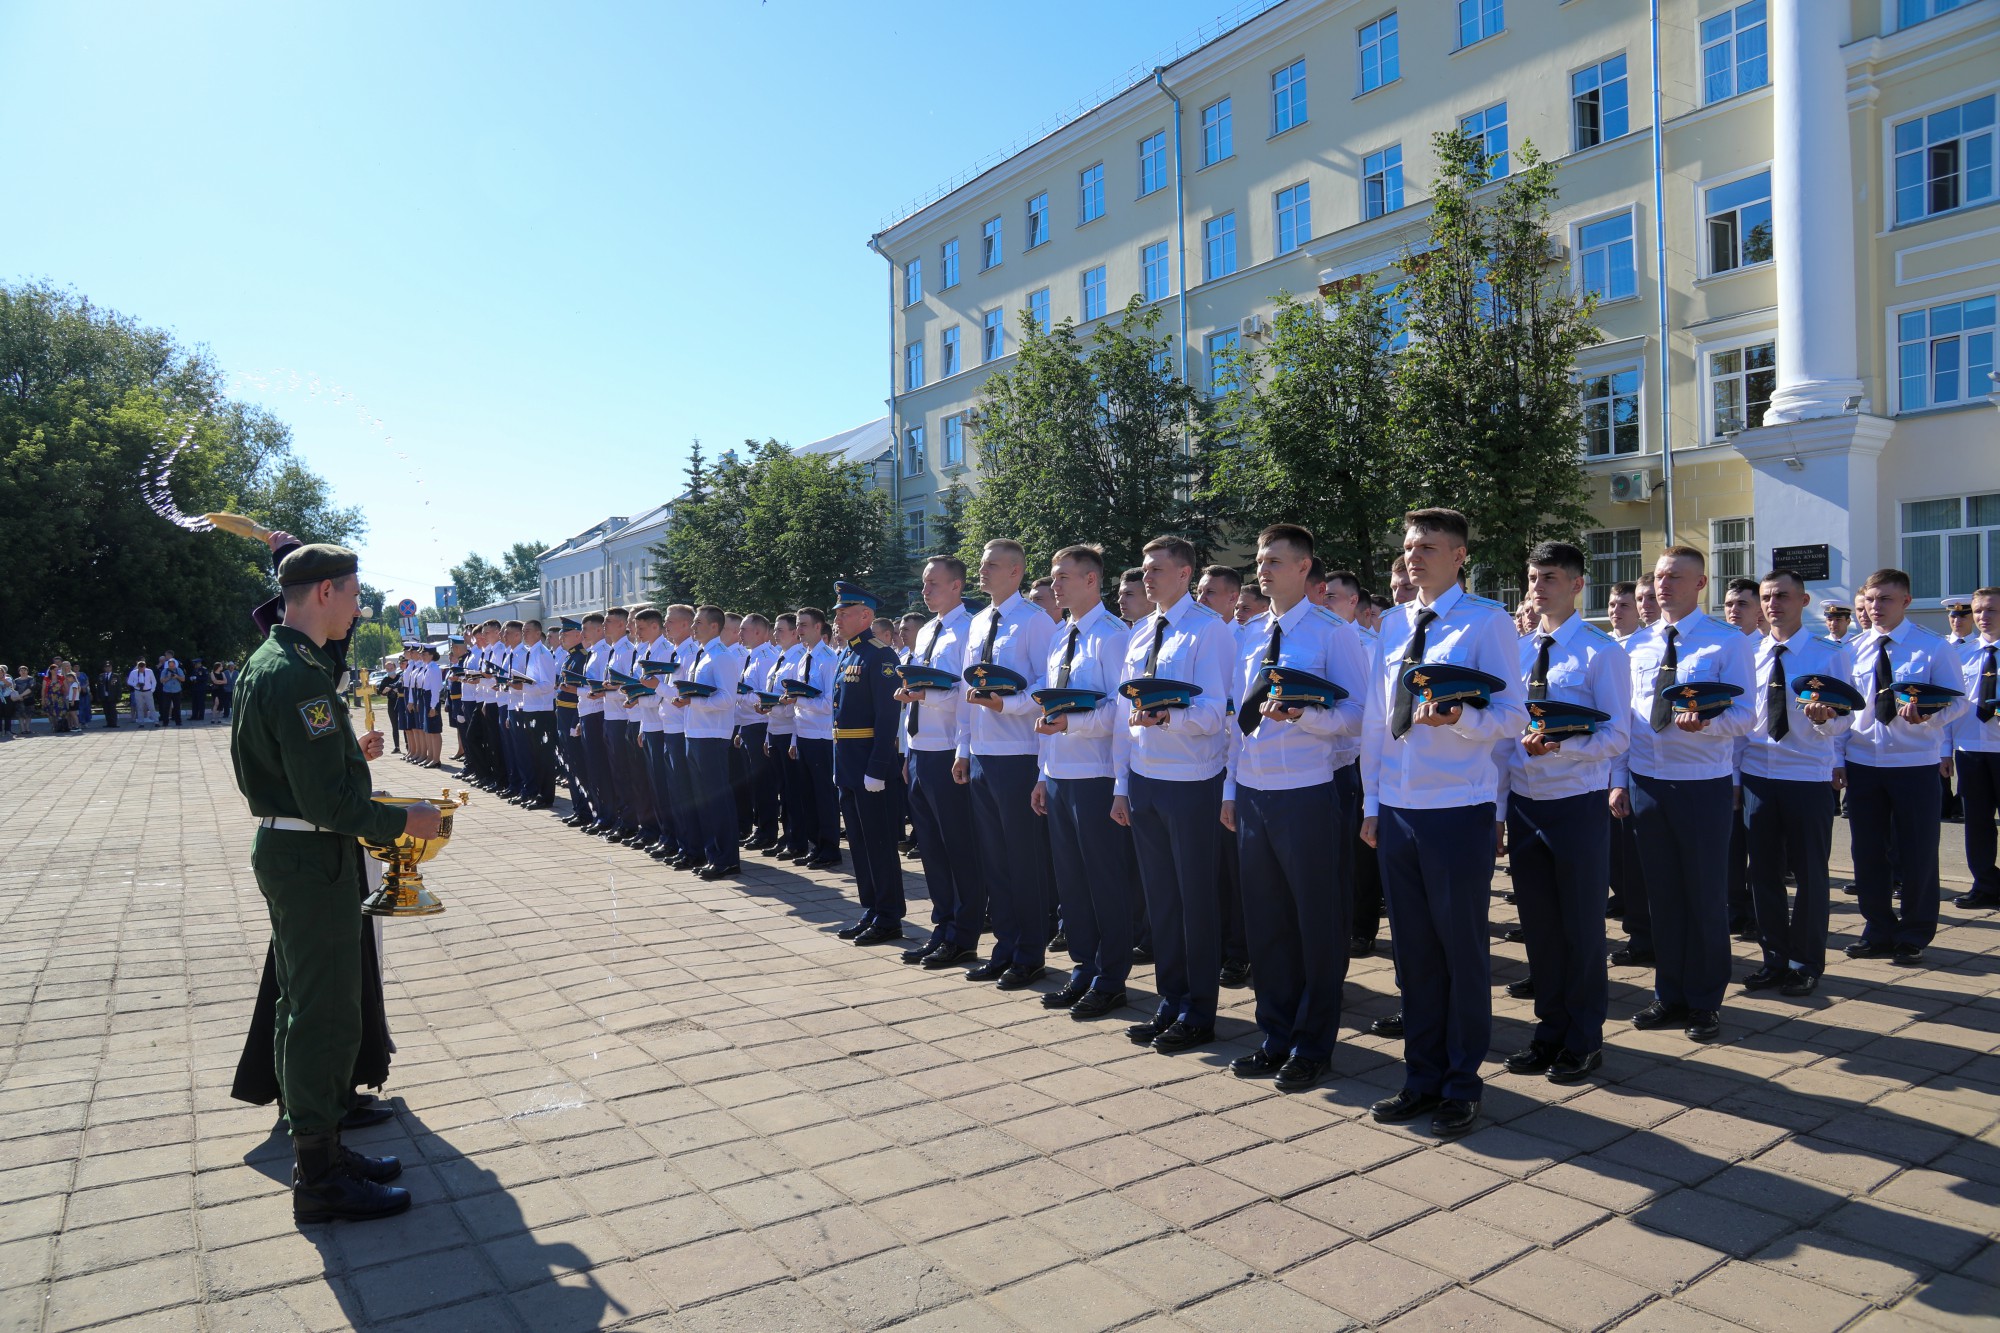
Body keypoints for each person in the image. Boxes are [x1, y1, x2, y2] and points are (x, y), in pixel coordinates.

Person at [229, 543, 441, 1222]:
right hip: (312, 854)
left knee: (304, 1002)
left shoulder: (275, 662)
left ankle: (319, 1145)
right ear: (324, 592)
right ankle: (319, 1177)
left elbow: (303, 772)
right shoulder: (298, 676)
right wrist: (405, 816)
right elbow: (327, 803)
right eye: (354, 595)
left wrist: (354, 759)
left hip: (294, 849)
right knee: (324, 1011)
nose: (359, 609)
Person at [1360, 509, 1526, 1137]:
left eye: (1427, 546)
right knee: (1414, 953)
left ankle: (1462, 1082)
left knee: (1461, 951)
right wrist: (1372, 805)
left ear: (1459, 555)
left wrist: (1459, 717)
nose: (1413, 556)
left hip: (1457, 808)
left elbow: (1513, 715)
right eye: (1408, 546)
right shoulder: (1393, 624)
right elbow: (1378, 721)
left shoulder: (1486, 621)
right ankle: (1420, 1076)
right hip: (1399, 810)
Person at [1225, 524, 1368, 1092]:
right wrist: (1232, 793)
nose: (1263, 570)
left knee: (1315, 924)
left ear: (1305, 567)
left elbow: (1359, 718)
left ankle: (1314, 1043)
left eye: (1275, 561)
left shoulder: (1335, 633)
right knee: (1266, 924)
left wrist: (1305, 716)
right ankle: (1275, 1033)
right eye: (1261, 560)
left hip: (1310, 792)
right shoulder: (1249, 635)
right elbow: (1238, 720)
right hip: (1256, 793)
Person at [1613, 546, 1758, 1043]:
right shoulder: (1637, 645)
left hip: (1700, 786)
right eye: (1658, 576)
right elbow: (1624, 721)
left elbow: (1746, 717)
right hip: (1645, 782)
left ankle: (1704, 1000)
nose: (1663, 585)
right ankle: (1667, 993)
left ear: (1701, 584)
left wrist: (1708, 722)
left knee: (1703, 896)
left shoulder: (1725, 643)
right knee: (1661, 897)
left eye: (1675, 577)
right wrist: (1619, 780)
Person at [1498, 541, 1631, 1085]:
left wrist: (1563, 747)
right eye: (1532, 577)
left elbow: (1618, 735)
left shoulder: (1601, 652)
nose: (1537, 587)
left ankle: (1584, 1038)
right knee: (1539, 928)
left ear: (1577, 584)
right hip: (1527, 805)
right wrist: (1502, 810)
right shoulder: (1518, 652)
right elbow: (1507, 738)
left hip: (1575, 804)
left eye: (1549, 577)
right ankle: (1548, 1030)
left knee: (1579, 927)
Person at [1116, 535, 1236, 1054]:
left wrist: (1170, 715)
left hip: (1192, 783)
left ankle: (1199, 1011)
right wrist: (1121, 785)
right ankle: (1171, 1000)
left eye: (1157, 569)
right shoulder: (1141, 631)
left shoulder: (1209, 631)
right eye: (1144, 569)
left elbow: (1218, 712)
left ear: (1186, 573)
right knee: (1161, 901)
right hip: (1145, 780)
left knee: (1194, 903)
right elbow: (1125, 717)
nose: (1147, 577)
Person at [1032, 545, 1139, 1016]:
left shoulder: (1115, 637)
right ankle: (1083, 969)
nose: (1055, 585)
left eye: (1064, 577)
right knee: (1071, 883)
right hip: (1059, 773)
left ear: (1092, 580)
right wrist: (1041, 774)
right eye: (1054, 577)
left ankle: (1111, 976)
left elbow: (1120, 712)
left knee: (1104, 883)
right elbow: (1050, 703)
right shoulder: (1061, 634)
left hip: (1096, 775)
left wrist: (1120, 784)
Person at [1739, 569, 1852, 998]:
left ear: (1803, 602)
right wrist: (1735, 778)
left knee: (1809, 874)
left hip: (1807, 776)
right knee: (1763, 874)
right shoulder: (1748, 652)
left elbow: (1848, 717)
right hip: (1757, 777)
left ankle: (1805, 961)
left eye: (1783, 596)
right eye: (1767, 597)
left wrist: (1826, 722)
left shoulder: (1827, 654)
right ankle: (1774, 959)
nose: (1773, 604)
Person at [1843, 568, 1965, 965]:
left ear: (1906, 602)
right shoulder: (1851, 649)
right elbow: (1843, 710)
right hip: (1862, 762)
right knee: (1868, 852)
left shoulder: (1932, 647)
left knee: (1916, 852)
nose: (1875, 608)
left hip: (1914, 763)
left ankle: (1913, 932)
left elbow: (1959, 702)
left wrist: (1927, 715)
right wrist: (1834, 759)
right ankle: (1877, 928)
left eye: (1886, 600)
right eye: (1871, 600)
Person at [959, 540, 1059, 987]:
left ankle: (1029, 952)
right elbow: (967, 691)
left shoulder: (1035, 622)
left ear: (1017, 571)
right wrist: (963, 750)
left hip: (1019, 755)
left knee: (1024, 861)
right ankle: (1004, 946)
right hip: (983, 754)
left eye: (992, 566)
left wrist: (1009, 706)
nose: (983, 573)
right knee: (994, 861)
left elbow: (1045, 687)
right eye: (982, 565)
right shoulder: (979, 621)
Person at [898, 558, 984, 968]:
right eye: (924, 584)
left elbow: (964, 693)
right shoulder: (929, 630)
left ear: (957, 586)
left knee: (957, 849)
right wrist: (907, 749)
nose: (926, 591)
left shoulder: (969, 628)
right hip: (920, 749)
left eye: (934, 584)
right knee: (930, 848)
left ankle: (963, 935)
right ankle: (941, 927)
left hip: (948, 750)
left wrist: (924, 698)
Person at [828, 583, 905, 936]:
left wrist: (877, 768)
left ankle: (888, 915)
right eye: (837, 612)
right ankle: (871, 908)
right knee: (858, 842)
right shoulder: (847, 655)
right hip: (847, 761)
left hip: (871, 764)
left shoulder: (881, 655)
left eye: (844, 612)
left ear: (866, 615)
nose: (837, 618)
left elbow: (888, 718)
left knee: (878, 842)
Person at [1195, 563, 1253, 988]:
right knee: (1209, 870)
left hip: (1233, 767)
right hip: (1203, 768)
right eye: (1199, 590)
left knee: (1235, 872)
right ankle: (1214, 947)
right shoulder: (1200, 637)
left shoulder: (1245, 640)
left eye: (1211, 592)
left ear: (1234, 599)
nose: (1201, 599)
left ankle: (1239, 952)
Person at [675, 605, 745, 878]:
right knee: (702, 799)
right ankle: (712, 853)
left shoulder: (722, 657)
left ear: (715, 627)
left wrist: (694, 701)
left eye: (699, 623)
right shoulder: (701, 656)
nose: (693, 627)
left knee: (717, 800)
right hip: (695, 733)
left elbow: (728, 699)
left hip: (713, 735)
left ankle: (726, 858)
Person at [1951, 587, 2000, 911]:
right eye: (1978, 610)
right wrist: (1945, 751)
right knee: (1977, 821)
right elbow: (1951, 706)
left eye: (1991, 610)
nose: (1983, 616)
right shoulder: (1961, 654)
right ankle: (1984, 883)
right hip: (1969, 748)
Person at [788, 608, 842, 867]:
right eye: (798, 625)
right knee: (807, 795)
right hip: (805, 734)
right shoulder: (803, 657)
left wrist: (799, 699)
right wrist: (794, 740)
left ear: (819, 627)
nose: (799, 630)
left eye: (804, 625)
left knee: (824, 795)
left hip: (822, 736)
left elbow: (831, 703)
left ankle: (830, 848)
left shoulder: (829, 659)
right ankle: (815, 845)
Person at [127, 658, 157, 726]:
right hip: (138, 691)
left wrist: (152, 690)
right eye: (140, 667)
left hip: (148, 691)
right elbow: (129, 681)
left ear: (145, 666)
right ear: (138, 667)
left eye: (143, 667)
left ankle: (156, 721)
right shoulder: (133, 672)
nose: (142, 669)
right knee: (139, 707)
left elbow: (154, 681)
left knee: (151, 707)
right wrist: (135, 684)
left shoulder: (149, 671)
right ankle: (141, 722)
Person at [158, 652, 185, 726]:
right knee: (166, 707)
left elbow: (183, 679)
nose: (172, 667)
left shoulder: (178, 670)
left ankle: (178, 722)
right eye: (170, 666)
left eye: (173, 666)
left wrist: (177, 676)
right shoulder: (165, 671)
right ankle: (165, 722)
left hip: (177, 691)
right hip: (167, 691)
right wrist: (169, 677)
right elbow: (161, 680)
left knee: (177, 707)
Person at [187, 657, 211, 722]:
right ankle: (194, 716)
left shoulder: (204, 669)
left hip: (201, 689)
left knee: (201, 703)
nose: (195, 665)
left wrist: (197, 679)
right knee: (194, 703)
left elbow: (205, 678)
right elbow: (191, 677)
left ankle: (200, 716)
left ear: (199, 663)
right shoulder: (194, 670)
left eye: (196, 663)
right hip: (195, 688)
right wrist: (191, 678)